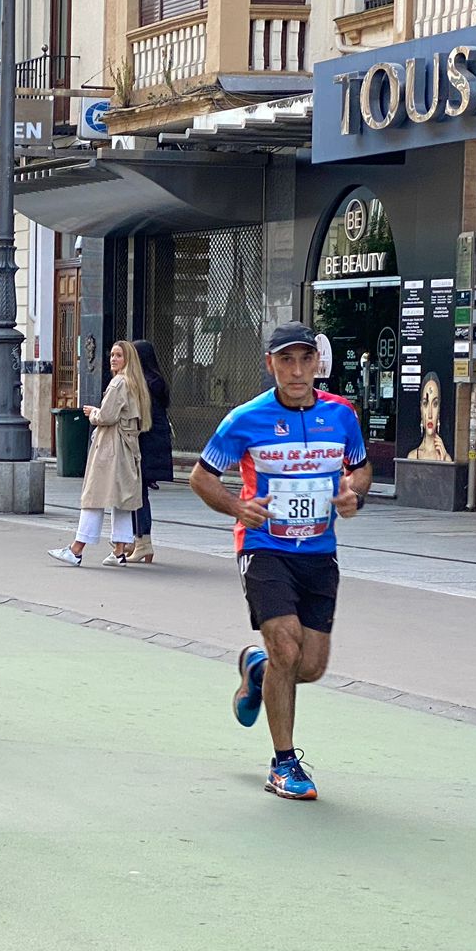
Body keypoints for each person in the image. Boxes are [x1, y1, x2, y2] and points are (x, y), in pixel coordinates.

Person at [189, 321, 371, 802]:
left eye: (304, 359)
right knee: (287, 650)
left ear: (317, 364)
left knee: (309, 666)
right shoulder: (244, 419)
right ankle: (284, 764)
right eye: (285, 360)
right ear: (270, 364)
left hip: (319, 552)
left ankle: (256, 669)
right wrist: (236, 506)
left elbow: (360, 467)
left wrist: (355, 494)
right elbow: (201, 477)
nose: (295, 370)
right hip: (263, 547)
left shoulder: (342, 415)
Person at [49, 339, 150, 566]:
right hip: (128, 448)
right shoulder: (135, 384)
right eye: (112, 355)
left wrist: (93, 413)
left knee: (94, 496)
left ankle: (76, 550)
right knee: (122, 500)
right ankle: (119, 551)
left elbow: (107, 416)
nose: (113, 359)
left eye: (118, 355)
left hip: (110, 448)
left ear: (128, 360)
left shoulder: (118, 384)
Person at [130, 338, 174, 564]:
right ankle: (137, 540)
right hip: (154, 442)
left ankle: (142, 541)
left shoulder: (144, 382)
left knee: (137, 494)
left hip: (145, 443)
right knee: (137, 492)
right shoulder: (156, 380)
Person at [406, 372, 453, 462]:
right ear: (421, 409)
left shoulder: (446, 458)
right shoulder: (412, 456)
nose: (430, 414)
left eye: (435, 404)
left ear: (439, 410)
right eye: (425, 404)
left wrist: (442, 462)